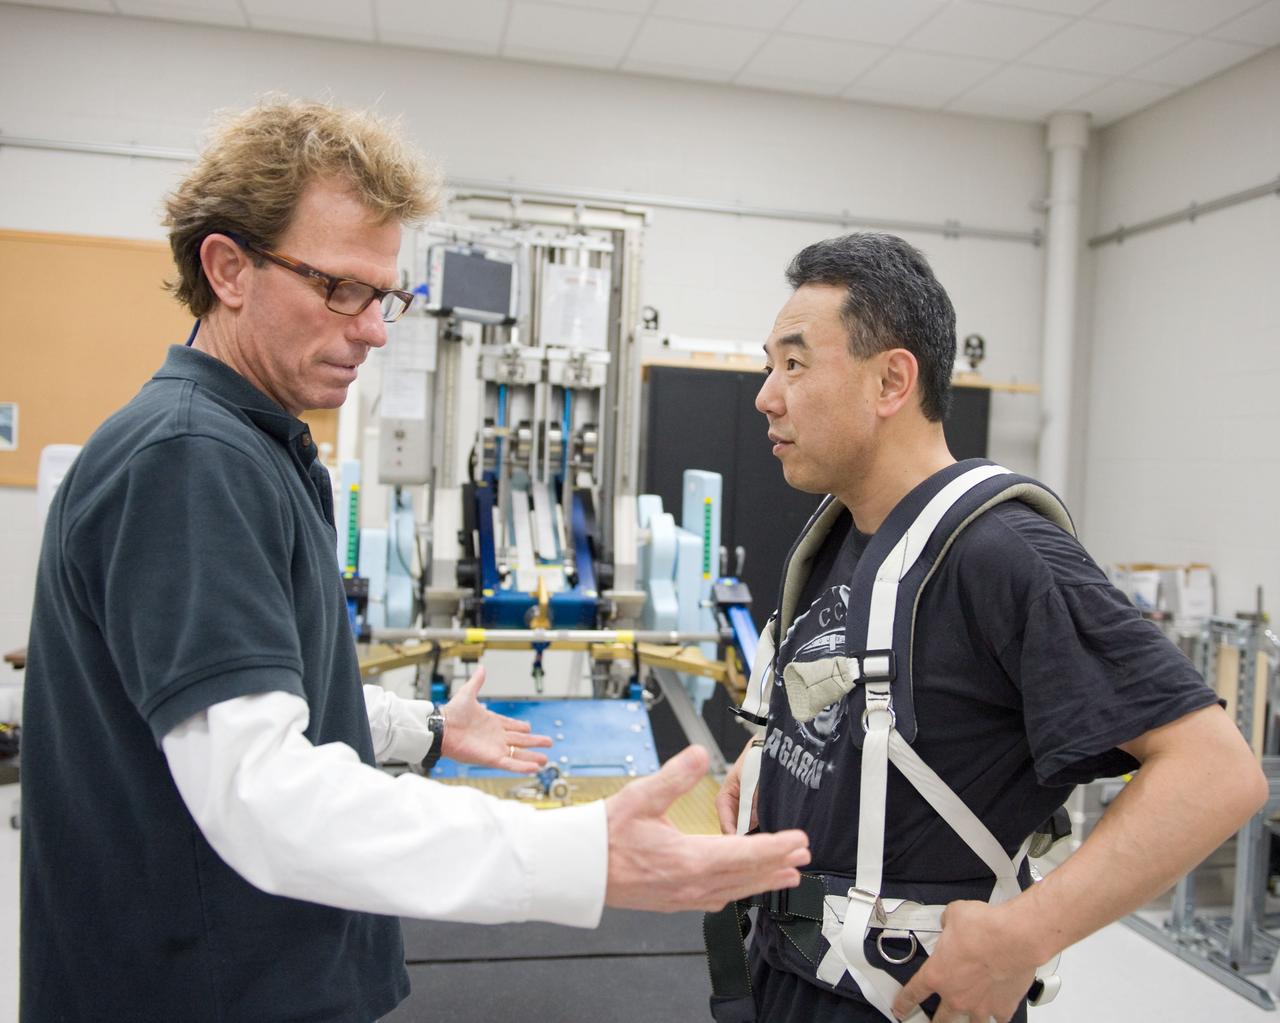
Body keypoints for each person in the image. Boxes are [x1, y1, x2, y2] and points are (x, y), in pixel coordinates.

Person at [20, 98, 810, 1023]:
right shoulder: (190, 459)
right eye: (339, 288)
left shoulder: (255, 446)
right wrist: (577, 856)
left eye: (386, 295)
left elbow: (261, 692)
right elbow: (264, 795)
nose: (375, 328)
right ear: (227, 268)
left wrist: (421, 728)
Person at [713, 232, 1268, 1023]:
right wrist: (773, 757)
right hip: (785, 972)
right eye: (771, 365)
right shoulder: (846, 533)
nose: (767, 394)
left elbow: (1216, 772)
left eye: (794, 365)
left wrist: (1022, 936)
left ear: (891, 381)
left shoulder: (1001, 553)